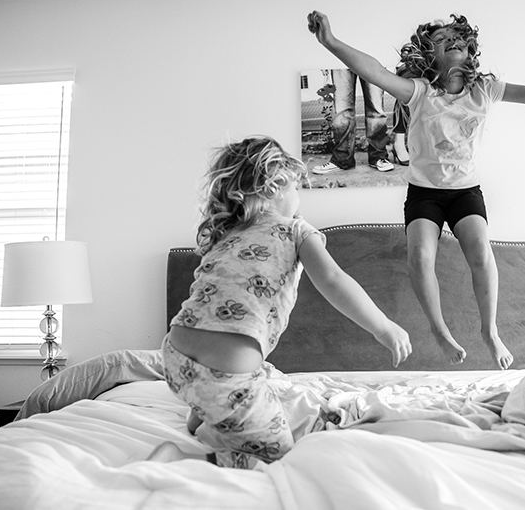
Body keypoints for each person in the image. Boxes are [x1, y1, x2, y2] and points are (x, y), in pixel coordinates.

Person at [307, 10, 525, 370]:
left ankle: (489, 332)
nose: (453, 42)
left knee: (480, 251)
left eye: (457, 38)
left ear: (470, 49)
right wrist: (330, 41)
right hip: (424, 193)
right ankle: (439, 329)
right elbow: (377, 74)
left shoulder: (485, 89)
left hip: (465, 192)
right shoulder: (419, 92)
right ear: (430, 55)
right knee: (420, 256)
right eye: (443, 40)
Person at [151, 136, 412, 469]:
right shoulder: (296, 231)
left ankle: (204, 411)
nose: (299, 198)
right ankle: (183, 456)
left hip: (176, 357)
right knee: (278, 457)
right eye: (296, 188)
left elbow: (210, 299)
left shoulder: (225, 235)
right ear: (275, 186)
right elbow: (333, 280)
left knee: (225, 373)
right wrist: (383, 327)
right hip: (228, 372)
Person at [312, 68, 395, 174]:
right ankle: (342, 160)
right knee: (342, 111)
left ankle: (378, 156)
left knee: (376, 109)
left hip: (371, 54)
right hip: (341, 57)